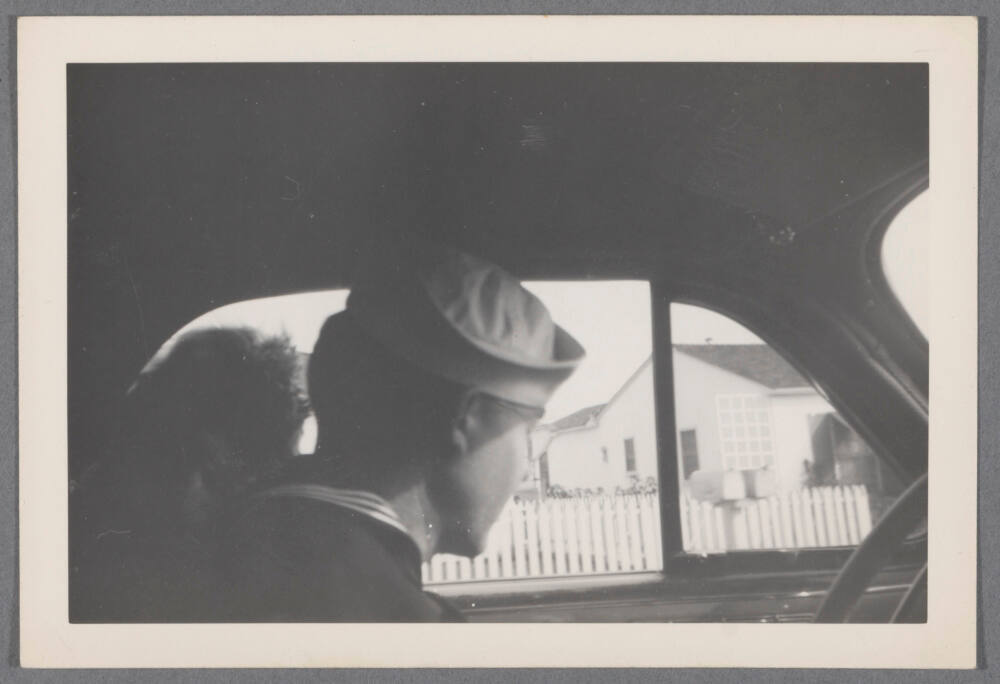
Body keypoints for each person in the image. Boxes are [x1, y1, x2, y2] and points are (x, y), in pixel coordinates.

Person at [220, 241, 585, 622]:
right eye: (528, 432)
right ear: (466, 419)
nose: (526, 469)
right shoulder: (400, 618)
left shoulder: (240, 537)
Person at [70, 327, 310, 621]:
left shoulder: (90, 508)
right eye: (277, 463)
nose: (277, 485)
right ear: (214, 453)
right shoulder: (189, 572)